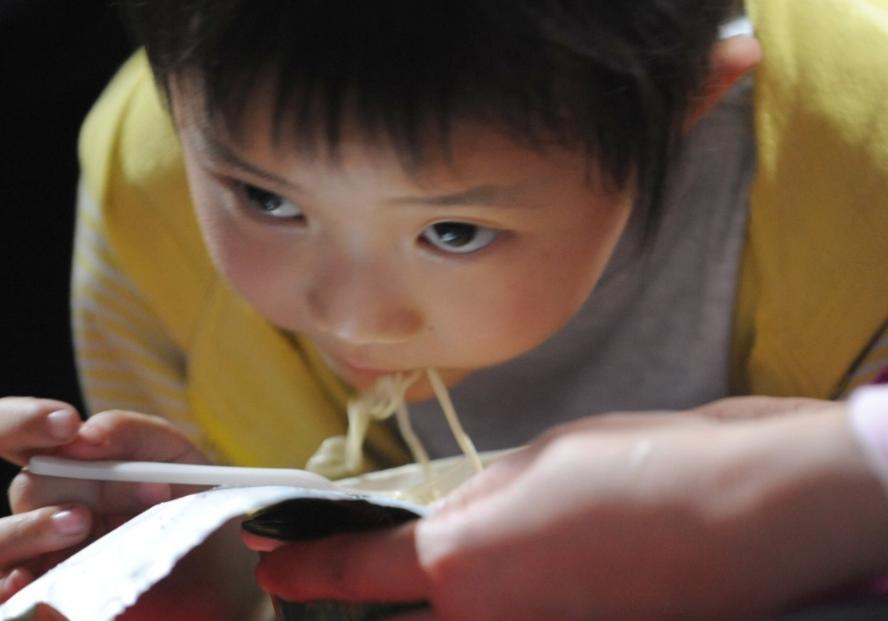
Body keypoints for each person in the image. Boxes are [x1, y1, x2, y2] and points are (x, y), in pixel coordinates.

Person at [2, 0, 888, 618]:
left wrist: (818, 518)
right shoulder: (150, 194)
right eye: (268, 200)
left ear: (694, 98)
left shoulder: (863, 196)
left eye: (455, 228)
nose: (355, 321)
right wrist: (217, 592)